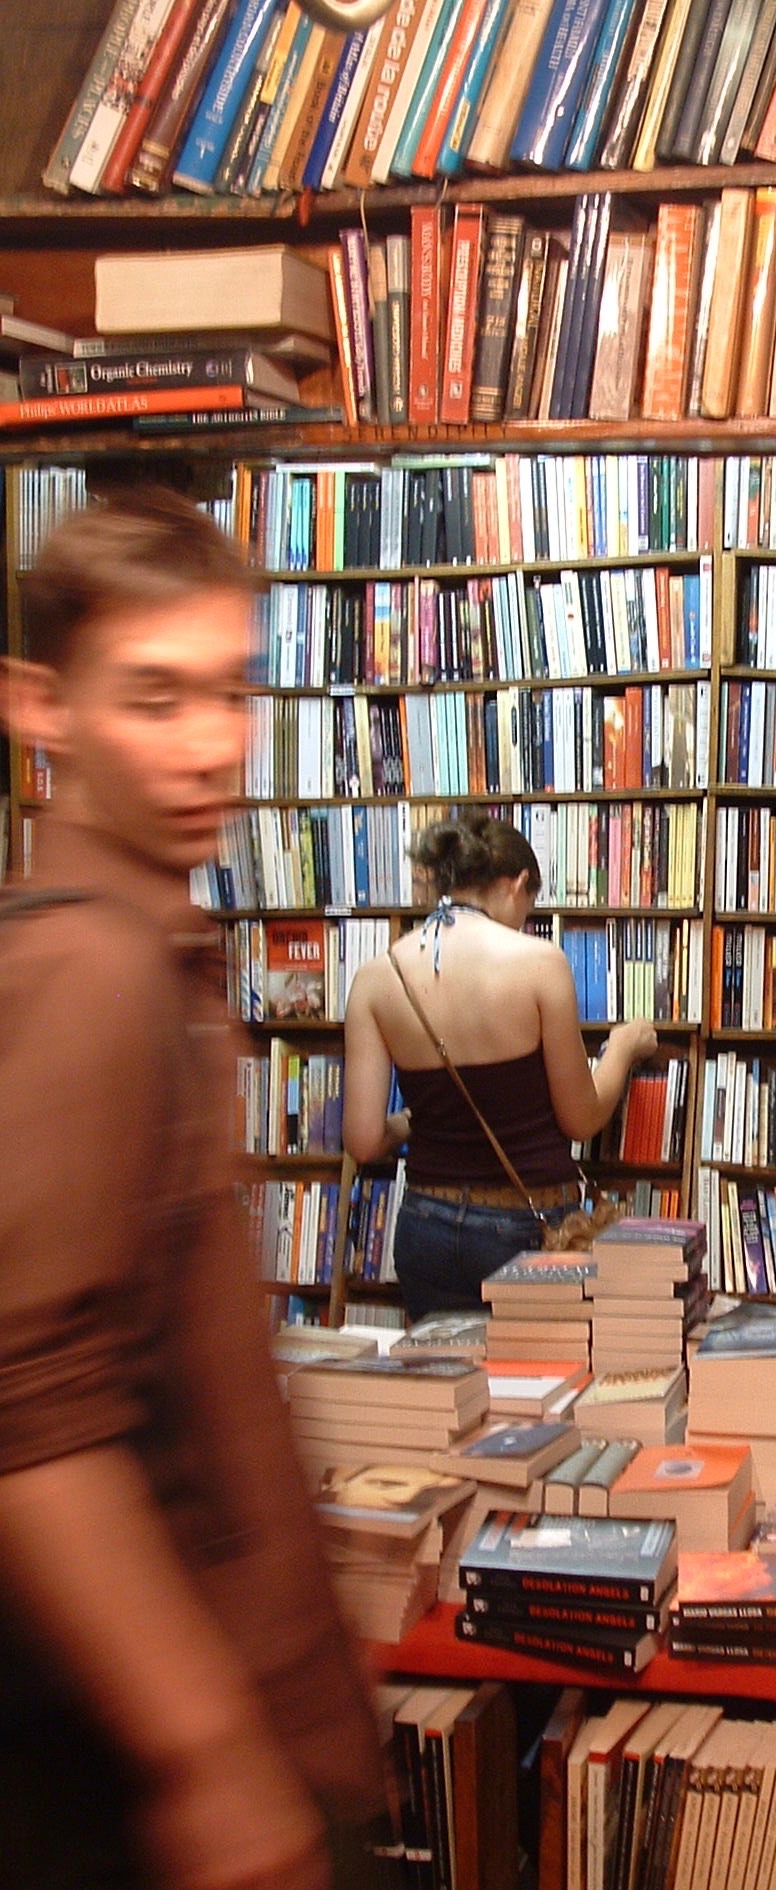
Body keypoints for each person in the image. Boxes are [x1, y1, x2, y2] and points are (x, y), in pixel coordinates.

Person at [0, 488, 384, 1889]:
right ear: (40, 706)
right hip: (145, 1794)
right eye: (153, 696)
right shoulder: (88, 969)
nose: (211, 744)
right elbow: (30, 1401)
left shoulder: (153, 948)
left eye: (229, 690)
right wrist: (208, 1756)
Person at [342, 813, 658, 1319]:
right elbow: (581, 1117)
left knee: (450, 1391)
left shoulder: (377, 976)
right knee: (536, 1392)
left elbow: (361, 1139)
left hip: (424, 1223)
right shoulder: (539, 962)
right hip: (521, 1224)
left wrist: (409, 1122)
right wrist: (622, 1047)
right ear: (517, 886)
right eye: (528, 905)